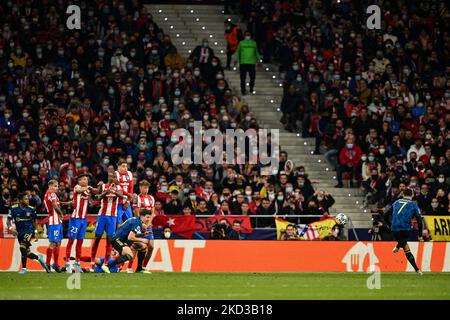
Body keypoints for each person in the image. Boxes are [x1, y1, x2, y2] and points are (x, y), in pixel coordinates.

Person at [7, 192, 50, 274]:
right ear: (20, 200)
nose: (28, 201)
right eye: (26, 199)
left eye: (28, 199)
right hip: (20, 232)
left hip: (29, 231)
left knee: (22, 247)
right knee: (27, 253)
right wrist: (11, 228)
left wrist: (36, 232)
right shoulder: (13, 208)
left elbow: (35, 221)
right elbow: (8, 221)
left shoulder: (31, 209)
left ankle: (24, 269)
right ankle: (39, 258)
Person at [101, 209, 153, 274]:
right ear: (142, 216)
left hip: (123, 240)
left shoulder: (137, 221)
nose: (148, 219)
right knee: (129, 255)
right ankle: (107, 266)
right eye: (147, 217)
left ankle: (139, 269)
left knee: (143, 247)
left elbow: (132, 234)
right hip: (117, 239)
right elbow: (131, 237)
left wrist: (143, 235)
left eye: (149, 217)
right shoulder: (137, 223)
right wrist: (142, 239)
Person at [65, 174, 99, 273]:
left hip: (83, 220)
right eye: (84, 179)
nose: (86, 181)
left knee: (80, 242)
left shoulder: (87, 190)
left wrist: (100, 188)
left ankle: (77, 263)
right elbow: (79, 190)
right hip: (75, 219)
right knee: (71, 241)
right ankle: (67, 263)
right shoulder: (77, 187)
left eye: (87, 179)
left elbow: (93, 196)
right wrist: (88, 187)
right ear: (79, 181)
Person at [91, 173, 123, 267]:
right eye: (112, 177)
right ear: (109, 178)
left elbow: (121, 196)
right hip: (102, 216)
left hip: (112, 217)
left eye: (115, 177)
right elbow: (98, 197)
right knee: (97, 238)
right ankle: (92, 261)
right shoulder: (103, 186)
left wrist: (114, 192)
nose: (113, 179)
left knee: (110, 240)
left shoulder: (118, 187)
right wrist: (106, 191)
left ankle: (105, 263)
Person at [391, 189, 423, 275]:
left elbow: (386, 215)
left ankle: (398, 247)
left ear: (403, 194)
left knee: (404, 245)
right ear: (412, 194)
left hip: (394, 230)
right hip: (406, 230)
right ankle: (417, 270)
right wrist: (420, 235)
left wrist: (389, 225)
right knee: (405, 246)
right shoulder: (413, 204)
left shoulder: (396, 202)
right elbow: (419, 221)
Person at [132, 180, 156, 273]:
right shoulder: (137, 198)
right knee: (138, 246)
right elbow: (136, 212)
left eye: (147, 187)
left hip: (148, 225)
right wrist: (142, 224)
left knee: (151, 247)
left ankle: (144, 266)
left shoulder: (151, 198)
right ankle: (130, 267)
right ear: (140, 188)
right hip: (139, 225)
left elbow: (153, 212)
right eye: (143, 187)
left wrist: (149, 223)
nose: (145, 189)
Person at [44, 180, 64, 272]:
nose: (57, 188)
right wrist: (61, 213)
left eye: (57, 186)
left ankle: (55, 264)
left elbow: (58, 204)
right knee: (53, 243)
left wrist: (68, 203)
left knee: (58, 243)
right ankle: (47, 264)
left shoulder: (51, 194)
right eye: (55, 186)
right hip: (54, 221)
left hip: (57, 222)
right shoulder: (50, 193)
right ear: (50, 186)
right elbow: (55, 206)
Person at [233, 30, 260, 96]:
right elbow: (237, 52)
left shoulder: (254, 43)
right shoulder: (241, 43)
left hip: (251, 63)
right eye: (246, 35)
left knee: (252, 77)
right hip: (243, 63)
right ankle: (243, 90)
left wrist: (258, 60)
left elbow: (256, 52)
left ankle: (251, 88)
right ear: (244, 35)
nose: (247, 36)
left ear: (250, 35)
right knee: (242, 78)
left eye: (248, 35)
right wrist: (235, 59)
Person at [115, 160, 136, 226]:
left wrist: (128, 201)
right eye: (123, 166)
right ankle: (117, 235)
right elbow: (119, 188)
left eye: (126, 166)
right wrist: (128, 194)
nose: (125, 168)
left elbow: (131, 188)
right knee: (118, 223)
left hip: (127, 202)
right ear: (118, 167)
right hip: (118, 202)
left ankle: (128, 236)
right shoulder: (116, 174)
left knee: (130, 222)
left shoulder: (129, 174)